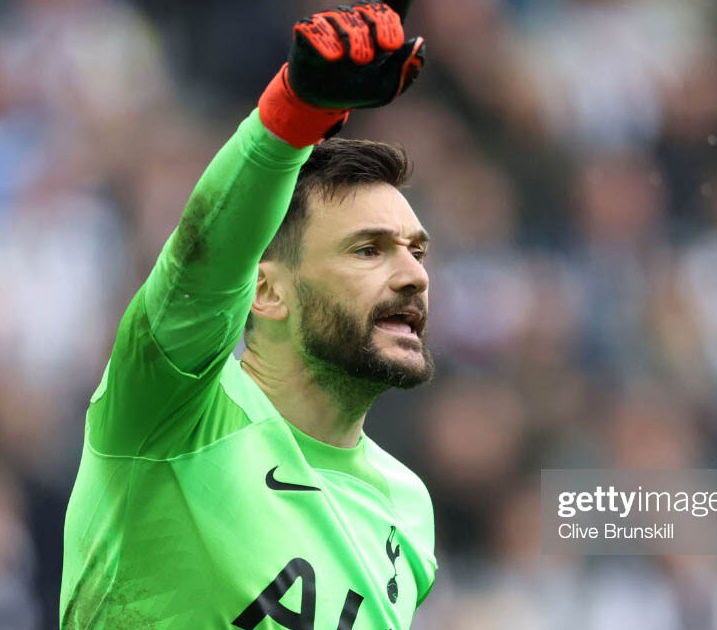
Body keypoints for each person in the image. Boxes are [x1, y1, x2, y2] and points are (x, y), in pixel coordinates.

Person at [59, 2, 436, 627]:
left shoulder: (408, 506)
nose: (414, 274)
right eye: (368, 249)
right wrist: (293, 116)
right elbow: (198, 270)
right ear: (266, 292)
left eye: (416, 251)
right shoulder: (173, 414)